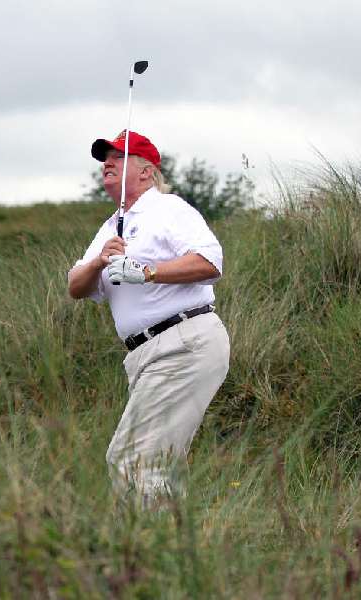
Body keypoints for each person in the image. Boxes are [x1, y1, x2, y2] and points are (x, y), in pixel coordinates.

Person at [67, 130, 230, 507]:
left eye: (118, 157)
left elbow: (210, 263)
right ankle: (174, 550)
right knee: (155, 463)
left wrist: (147, 272)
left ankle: (147, 555)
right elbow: (76, 286)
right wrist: (97, 261)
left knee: (133, 459)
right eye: (105, 158)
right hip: (146, 354)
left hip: (183, 341)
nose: (107, 163)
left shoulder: (168, 209)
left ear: (145, 171)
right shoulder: (112, 226)